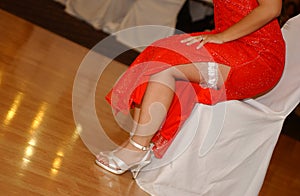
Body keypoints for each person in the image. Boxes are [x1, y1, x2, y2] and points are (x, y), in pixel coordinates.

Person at [95, 0, 285, 179]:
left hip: (258, 56)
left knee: (166, 65)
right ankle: (140, 145)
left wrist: (221, 36)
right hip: (231, 41)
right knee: (159, 52)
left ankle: (137, 148)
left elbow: (271, 8)